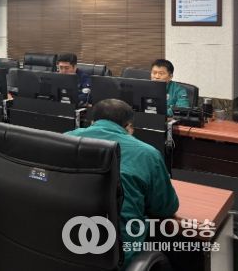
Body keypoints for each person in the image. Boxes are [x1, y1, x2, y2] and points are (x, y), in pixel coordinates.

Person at [66, 99, 179, 267]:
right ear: (129, 127)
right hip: (117, 258)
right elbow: (165, 208)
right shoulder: (147, 154)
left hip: (66, 245)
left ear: (92, 122)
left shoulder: (66, 139)